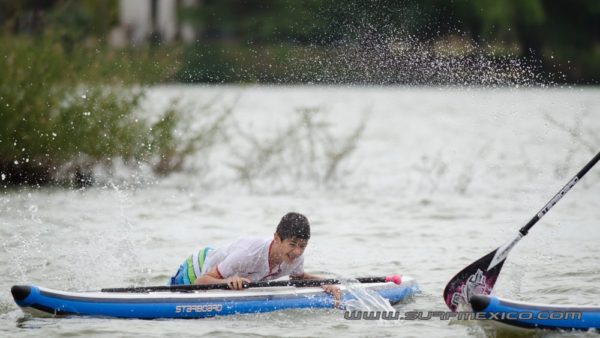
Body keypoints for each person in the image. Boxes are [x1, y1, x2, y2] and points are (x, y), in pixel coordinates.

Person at [169, 212, 340, 300]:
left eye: (303, 246)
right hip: (197, 268)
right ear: (276, 238)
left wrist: (325, 283)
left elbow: (300, 278)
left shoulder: (296, 258)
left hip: (222, 261)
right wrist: (226, 282)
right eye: (292, 244)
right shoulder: (248, 254)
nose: (297, 252)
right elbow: (202, 281)